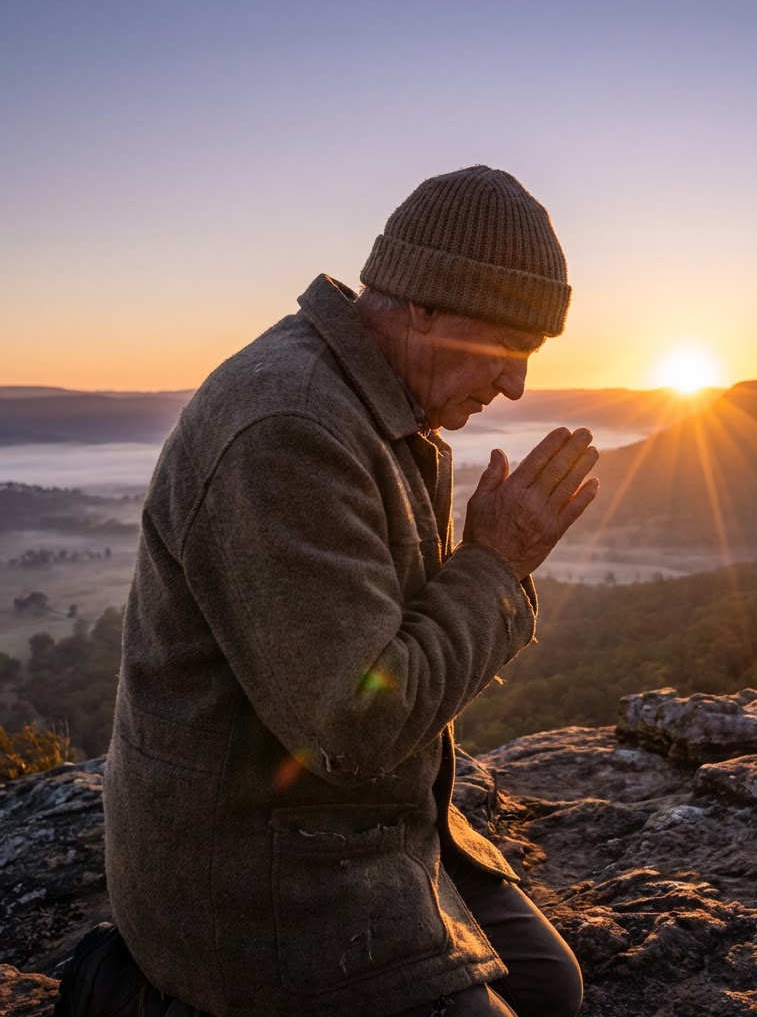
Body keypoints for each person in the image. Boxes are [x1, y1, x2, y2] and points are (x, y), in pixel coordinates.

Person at [55, 166, 598, 1017]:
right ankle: (129, 996)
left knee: (550, 987)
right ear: (420, 304)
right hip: (248, 875)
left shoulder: (382, 403)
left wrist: (493, 566)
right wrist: (495, 565)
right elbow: (353, 723)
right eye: (506, 348)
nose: (518, 386)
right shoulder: (293, 430)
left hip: (345, 828)